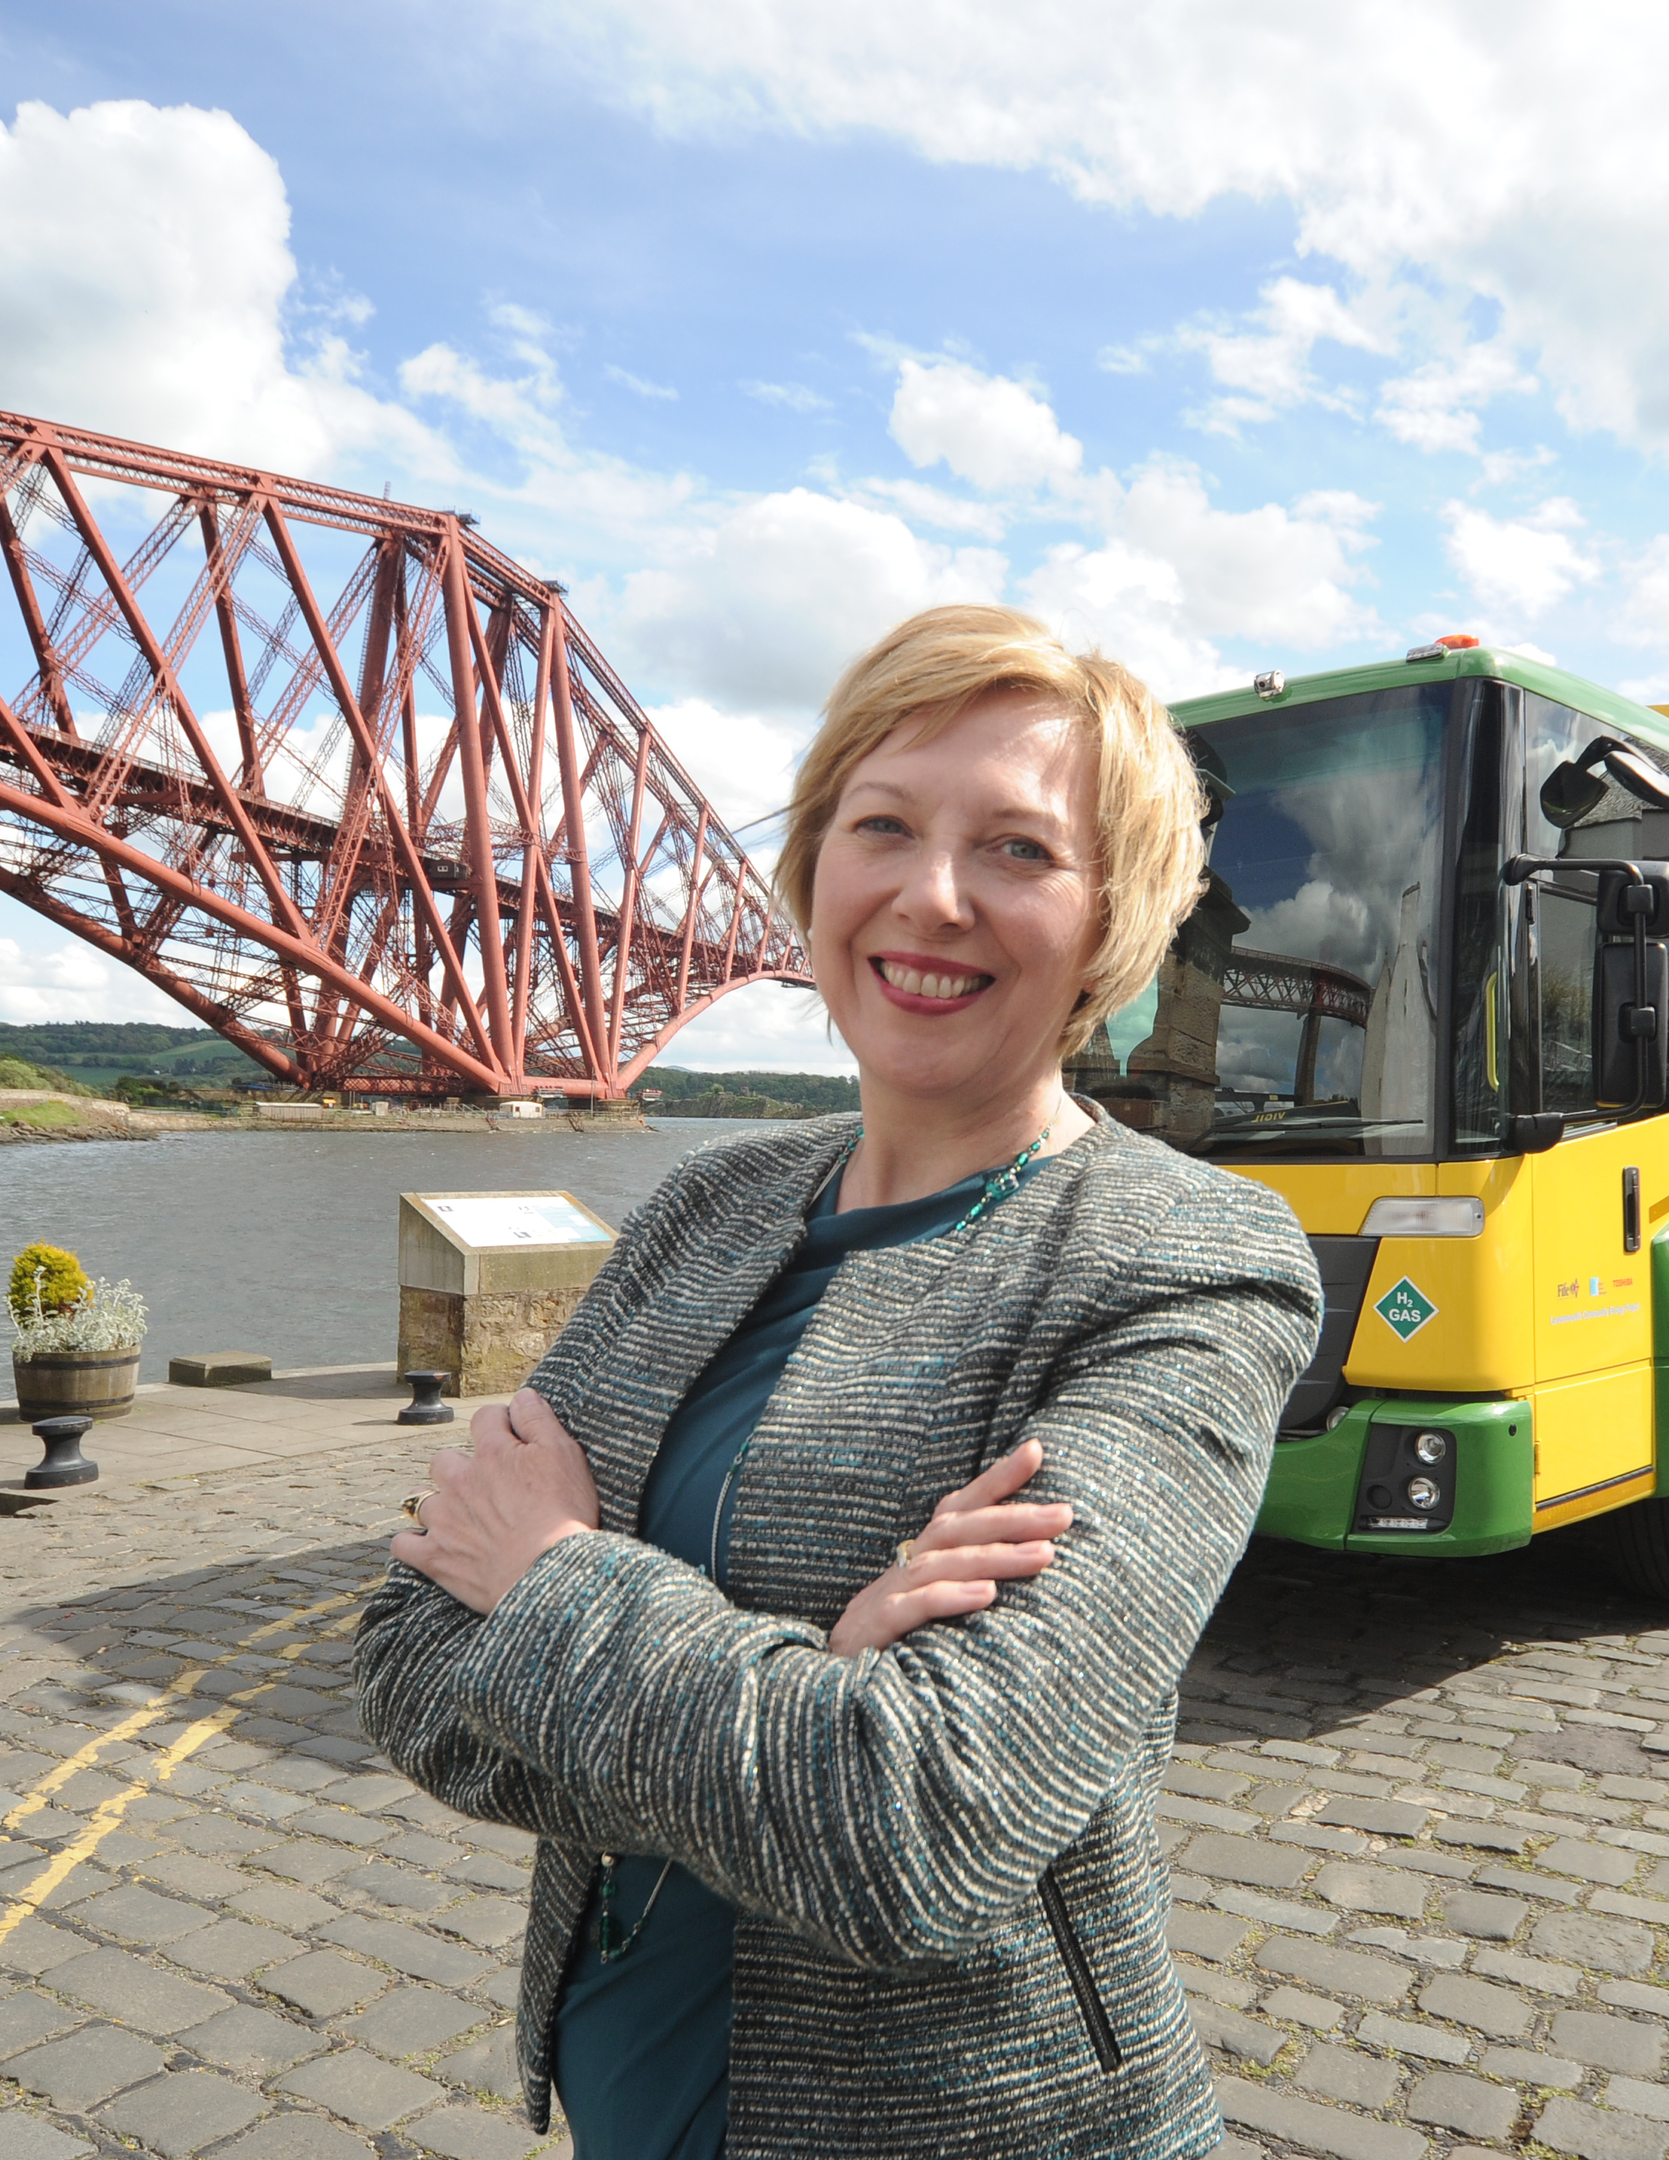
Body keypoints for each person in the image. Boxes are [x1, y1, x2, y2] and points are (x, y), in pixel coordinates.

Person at [357, 604, 1322, 2160]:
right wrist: (819, 1672)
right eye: (882, 826)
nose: (930, 896)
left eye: (1017, 850)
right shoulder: (704, 1208)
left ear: (1110, 918)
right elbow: (407, 1663)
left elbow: (923, 1831)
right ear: (814, 870)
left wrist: (546, 1583)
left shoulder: (1186, 1258)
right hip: (633, 2107)